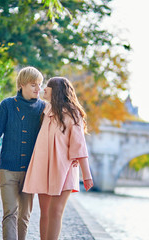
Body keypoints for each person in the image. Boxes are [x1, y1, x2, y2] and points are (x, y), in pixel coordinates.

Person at [23, 77, 94, 240]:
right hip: (44, 169)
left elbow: (79, 146)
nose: (44, 90)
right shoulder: (45, 112)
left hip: (64, 170)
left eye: (48, 87)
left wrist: (87, 175)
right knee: (45, 213)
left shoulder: (72, 114)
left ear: (56, 91)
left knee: (56, 211)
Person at [0, 66, 45, 240]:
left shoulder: (44, 109)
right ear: (22, 85)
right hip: (7, 170)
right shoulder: (7, 105)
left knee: (24, 216)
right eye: (34, 84)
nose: (38, 88)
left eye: (39, 84)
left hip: (31, 172)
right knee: (10, 212)